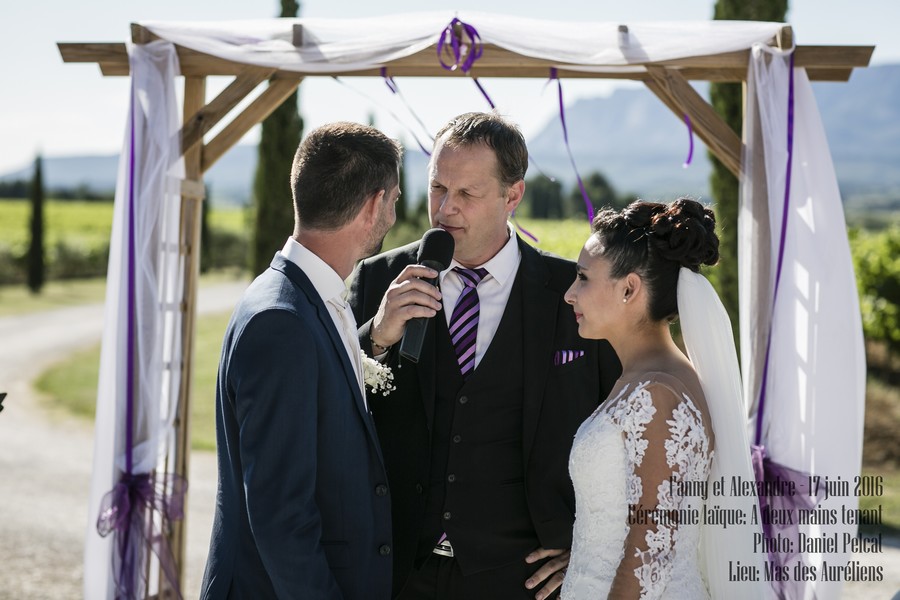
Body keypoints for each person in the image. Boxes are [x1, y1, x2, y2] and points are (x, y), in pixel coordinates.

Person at [347, 111, 621, 600]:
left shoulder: (570, 293)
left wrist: (590, 546)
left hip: (524, 580)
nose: (445, 209)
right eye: (437, 189)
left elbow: (625, 436)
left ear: (511, 195)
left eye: (467, 194)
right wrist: (376, 339)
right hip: (401, 575)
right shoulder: (376, 280)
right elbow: (334, 416)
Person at [200, 122, 403, 600]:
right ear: (374, 205)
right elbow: (281, 516)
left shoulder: (309, 296)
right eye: (394, 199)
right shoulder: (281, 320)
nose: (394, 212)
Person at [560, 199, 766, 599]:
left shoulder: (657, 396)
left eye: (583, 278)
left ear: (629, 288)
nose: (570, 294)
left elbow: (648, 554)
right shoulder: (648, 380)